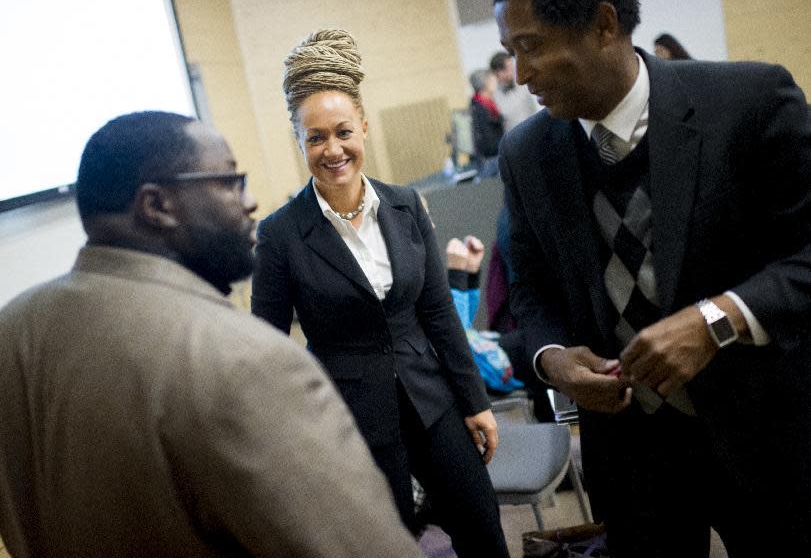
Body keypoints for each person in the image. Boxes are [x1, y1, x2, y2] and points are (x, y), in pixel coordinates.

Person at [0, 111, 423, 558]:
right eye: (229, 181)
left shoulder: (13, 331)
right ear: (157, 206)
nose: (251, 200)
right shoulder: (245, 359)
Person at [493, 0, 810, 557]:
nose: (520, 74)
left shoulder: (750, 100)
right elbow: (529, 288)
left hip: (765, 433)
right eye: (510, 51)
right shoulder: (526, 153)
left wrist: (717, 319)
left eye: (531, 46)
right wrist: (554, 359)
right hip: (632, 458)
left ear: (605, 25)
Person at [251, 30, 509, 558]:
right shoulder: (280, 234)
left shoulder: (406, 205)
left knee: (482, 529)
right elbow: (267, 349)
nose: (333, 149)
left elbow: (438, 313)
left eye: (343, 131)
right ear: (300, 143)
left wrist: (474, 401)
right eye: (315, 137)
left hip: (433, 400)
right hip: (353, 421)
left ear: (363, 128)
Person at [446, 236, 524, 395]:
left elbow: (460, 333)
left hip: (519, 357)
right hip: (514, 357)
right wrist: (463, 275)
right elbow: (458, 336)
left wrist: (464, 274)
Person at [490, 51, 541, 132]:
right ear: (499, 72)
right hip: (512, 141)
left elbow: (534, 111)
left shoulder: (524, 85)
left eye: (513, 67)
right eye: (510, 68)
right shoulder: (492, 96)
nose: (514, 71)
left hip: (534, 134)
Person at [469, 68, 505, 161]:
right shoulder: (480, 108)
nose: (496, 82)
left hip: (494, 154)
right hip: (491, 158)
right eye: (492, 80)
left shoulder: (485, 103)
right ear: (486, 84)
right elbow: (488, 142)